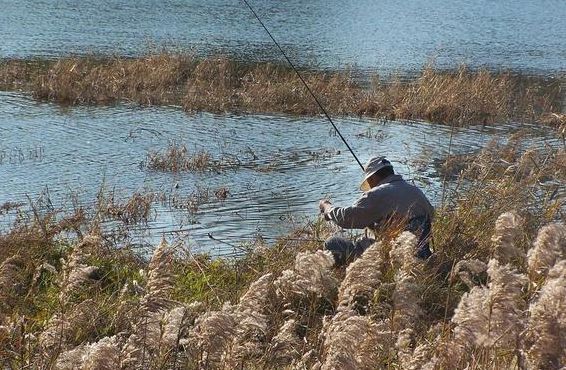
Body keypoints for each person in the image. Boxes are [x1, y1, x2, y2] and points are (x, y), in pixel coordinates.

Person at [319, 156, 434, 265]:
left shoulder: (378, 193)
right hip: (418, 253)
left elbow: (347, 218)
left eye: (369, 182)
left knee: (332, 242)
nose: (369, 186)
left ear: (372, 178)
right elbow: (430, 215)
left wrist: (327, 208)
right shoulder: (416, 191)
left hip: (388, 255)